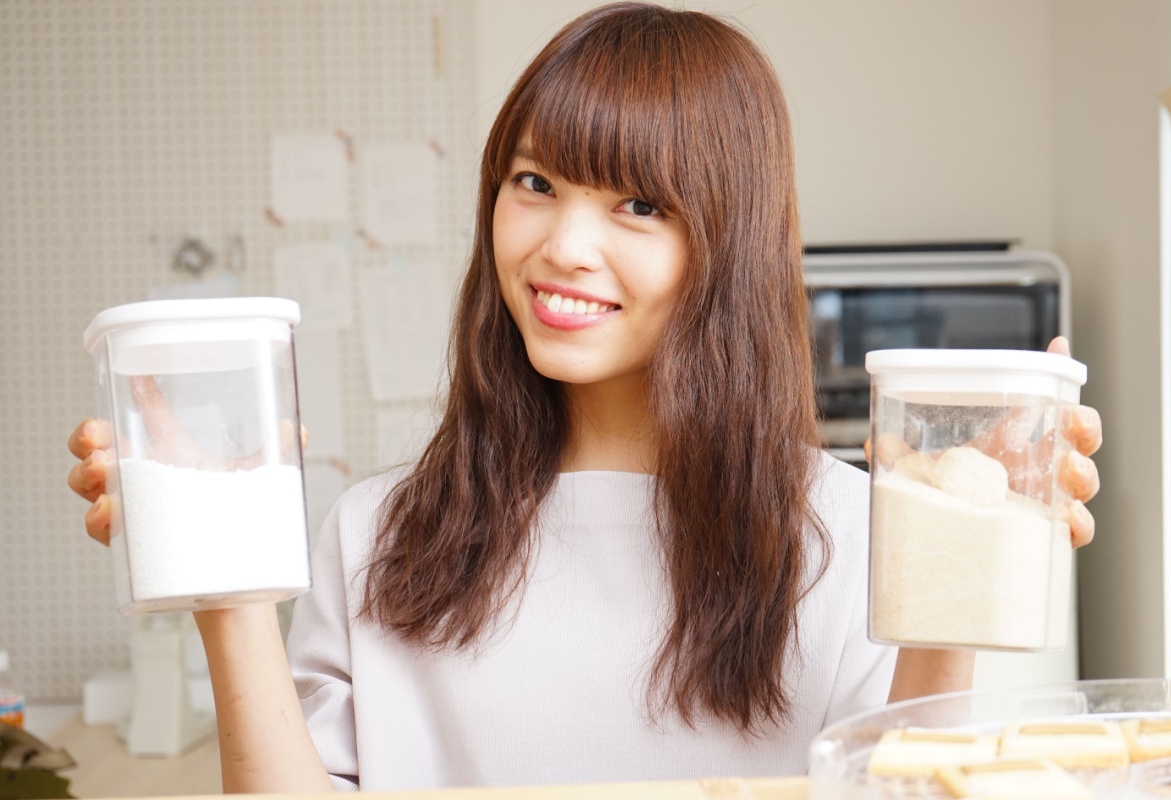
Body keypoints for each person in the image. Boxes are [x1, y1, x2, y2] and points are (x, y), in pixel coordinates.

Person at [65, 2, 1103, 792]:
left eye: (639, 204)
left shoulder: (854, 530)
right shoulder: (375, 533)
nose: (563, 245)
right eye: (535, 182)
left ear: (725, 248)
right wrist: (230, 588)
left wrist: (961, 566)